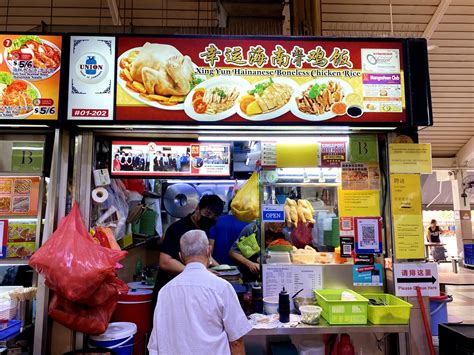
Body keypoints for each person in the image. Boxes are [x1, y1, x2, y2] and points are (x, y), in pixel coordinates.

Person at [148, 230, 252, 355]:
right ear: (209, 251)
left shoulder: (165, 292)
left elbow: (155, 346)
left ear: (181, 256)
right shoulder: (221, 287)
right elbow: (236, 341)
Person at [154, 194, 225, 292]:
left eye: (214, 217)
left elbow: (203, 254)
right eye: (207, 214)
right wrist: (198, 272)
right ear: (197, 209)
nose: (210, 219)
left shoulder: (205, 228)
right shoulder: (176, 229)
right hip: (171, 288)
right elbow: (165, 262)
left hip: (191, 287)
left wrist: (222, 269)